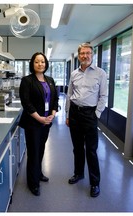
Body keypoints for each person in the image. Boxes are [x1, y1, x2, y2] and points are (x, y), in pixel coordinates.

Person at [65, 43, 108, 197]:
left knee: (91, 150)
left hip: (90, 114)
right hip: (75, 113)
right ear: (79, 55)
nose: (85, 56)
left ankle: (95, 183)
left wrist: (96, 114)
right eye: (82, 53)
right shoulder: (74, 73)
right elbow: (69, 95)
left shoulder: (100, 73)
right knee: (77, 148)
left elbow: (103, 96)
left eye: (88, 53)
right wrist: (68, 114)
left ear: (92, 55)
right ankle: (78, 174)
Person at [19, 52, 59, 196]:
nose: (40, 64)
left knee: (41, 149)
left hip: (46, 122)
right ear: (32, 64)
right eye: (37, 62)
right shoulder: (27, 81)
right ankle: (33, 183)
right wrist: (40, 118)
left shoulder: (50, 80)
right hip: (33, 123)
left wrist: (52, 115)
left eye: (42, 61)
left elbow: (55, 99)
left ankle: (38, 172)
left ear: (46, 63)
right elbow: (27, 103)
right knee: (33, 152)